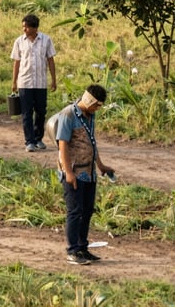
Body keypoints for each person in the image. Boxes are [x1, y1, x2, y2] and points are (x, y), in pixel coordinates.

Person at [55, 84, 114, 265]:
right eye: (96, 105)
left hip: (89, 173)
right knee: (75, 211)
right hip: (74, 172)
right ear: (89, 100)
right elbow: (62, 145)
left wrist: (100, 165)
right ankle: (73, 251)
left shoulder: (90, 115)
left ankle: (82, 247)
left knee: (87, 211)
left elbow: (91, 142)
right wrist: (69, 172)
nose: (98, 109)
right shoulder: (68, 115)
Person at [11, 14, 57, 152]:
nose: (24, 29)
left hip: (41, 83)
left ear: (34, 28)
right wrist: (14, 82)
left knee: (41, 112)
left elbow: (50, 60)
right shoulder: (19, 41)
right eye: (23, 26)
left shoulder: (46, 40)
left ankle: (38, 139)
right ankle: (29, 141)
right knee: (26, 113)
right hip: (25, 82)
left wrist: (54, 79)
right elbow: (16, 62)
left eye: (26, 27)